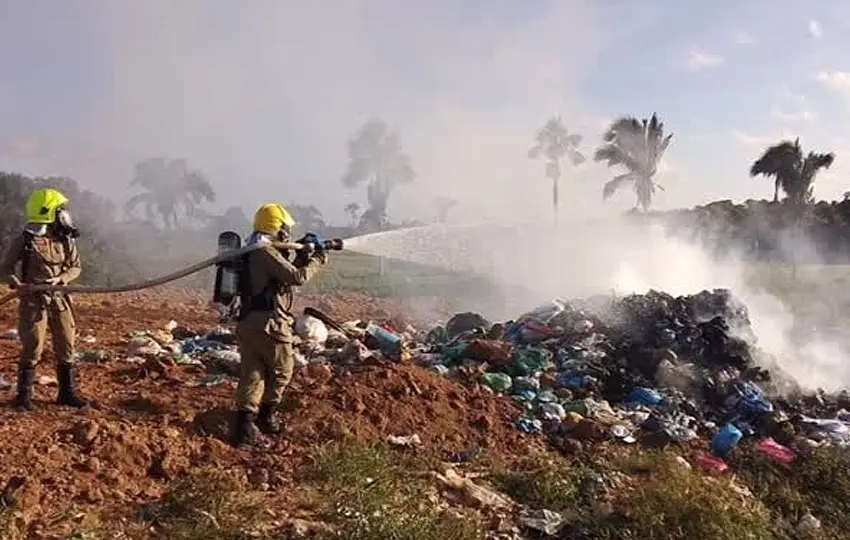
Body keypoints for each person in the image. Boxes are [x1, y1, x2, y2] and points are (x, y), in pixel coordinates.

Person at [230, 203, 329, 448]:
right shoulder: (264, 251)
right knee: (283, 369)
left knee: (253, 373)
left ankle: (244, 427)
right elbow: (296, 277)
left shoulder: (253, 248)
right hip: (269, 324)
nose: (288, 233)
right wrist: (318, 258)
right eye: (286, 228)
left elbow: (281, 275)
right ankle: (267, 417)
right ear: (279, 228)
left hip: (248, 322)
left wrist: (302, 254)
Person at [0, 188, 88, 410]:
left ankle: (67, 393)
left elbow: (75, 267)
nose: (65, 214)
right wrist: (18, 285)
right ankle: (23, 398)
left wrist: (61, 279)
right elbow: (5, 269)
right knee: (33, 346)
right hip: (33, 302)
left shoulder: (66, 239)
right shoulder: (26, 240)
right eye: (61, 209)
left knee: (66, 344)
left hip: (60, 299)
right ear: (52, 212)